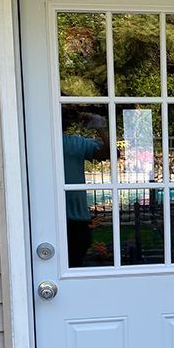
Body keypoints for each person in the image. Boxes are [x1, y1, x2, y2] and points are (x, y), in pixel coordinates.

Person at [63, 113, 109, 267]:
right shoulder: (75, 143)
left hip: (73, 222)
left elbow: (110, 153)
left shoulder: (74, 144)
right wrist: (98, 127)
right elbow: (110, 153)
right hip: (75, 221)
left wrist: (99, 127)